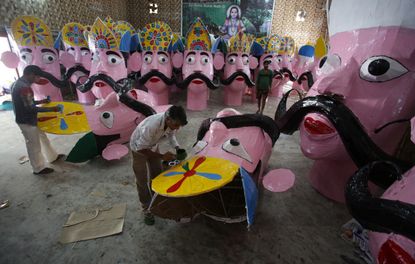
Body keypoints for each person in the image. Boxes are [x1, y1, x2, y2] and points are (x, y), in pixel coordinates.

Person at [130, 105, 188, 225]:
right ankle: (146, 207)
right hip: (137, 148)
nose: (177, 128)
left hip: (152, 145)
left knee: (157, 176)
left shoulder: (170, 123)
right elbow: (141, 148)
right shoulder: (151, 126)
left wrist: (177, 148)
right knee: (141, 179)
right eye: (176, 125)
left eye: (179, 126)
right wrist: (162, 156)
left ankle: (156, 200)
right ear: (168, 119)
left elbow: (171, 135)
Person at [11, 65, 63, 175]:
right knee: (34, 145)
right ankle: (38, 168)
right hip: (27, 120)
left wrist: (41, 101)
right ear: (30, 74)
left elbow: (26, 102)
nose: (37, 80)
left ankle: (52, 157)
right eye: (36, 77)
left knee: (42, 137)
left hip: (25, 118)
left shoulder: (17, 84)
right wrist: (51, 109)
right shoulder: (24, 87)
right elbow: (30, 108)